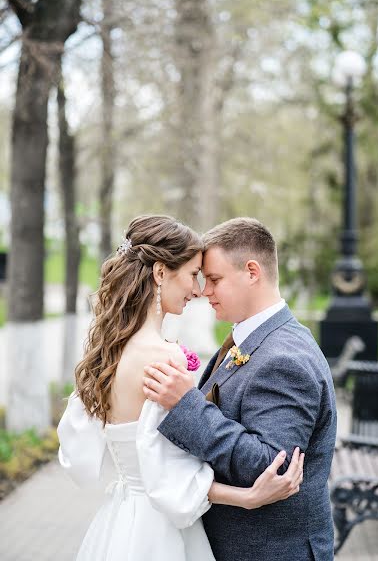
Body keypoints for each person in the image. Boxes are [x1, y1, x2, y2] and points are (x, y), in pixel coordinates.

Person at [57, 215, 304, 561]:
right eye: (192, 275)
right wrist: (248, 497)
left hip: (118, 519)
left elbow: (81, 457)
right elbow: (169, 477)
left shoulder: (107, 353)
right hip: (160, 535)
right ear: (160, 273)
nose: (198, 289)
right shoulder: (163, 357)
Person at [143, 217, 337, 561]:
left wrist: (184, 405)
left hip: (268, 550)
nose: (204, 291)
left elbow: (271, 466)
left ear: (252, 272)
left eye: (214, 279)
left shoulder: (284, 359)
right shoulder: (252, 338)